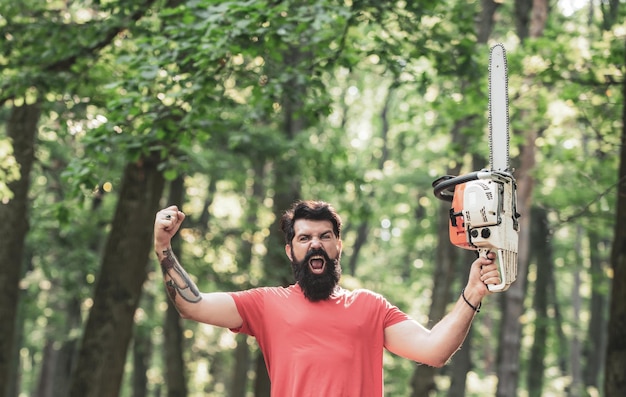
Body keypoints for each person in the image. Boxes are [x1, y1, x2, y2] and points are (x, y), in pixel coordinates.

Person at [153, 200, 500, 396]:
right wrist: (163, 247)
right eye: (304, 238)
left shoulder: (370, 307)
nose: (315, 243)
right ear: (291, 251)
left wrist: (471, 294)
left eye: (325, 236)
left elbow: (435, 351)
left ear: (338, 246)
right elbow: (192, 304)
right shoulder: (266, 304)